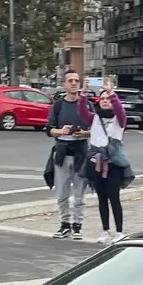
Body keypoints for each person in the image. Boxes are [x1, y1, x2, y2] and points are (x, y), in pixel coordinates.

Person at [80, 84, 129, 244]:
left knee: (114, 196)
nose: (105, 101)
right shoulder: (94, 118)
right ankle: (105, 230)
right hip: (96, 162)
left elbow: (120, 110)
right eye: (102, 99)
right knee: (101, 197)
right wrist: (83, 95)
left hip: (113, 162)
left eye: (107, 99)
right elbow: (81, 112)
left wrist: (111, 93)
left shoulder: (119, 118)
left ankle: (119, 231)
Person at [44, 71, 90, 239]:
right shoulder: (57, 106)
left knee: (79, 194)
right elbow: (49, 130)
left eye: (76, 81)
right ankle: (64, 225)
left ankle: (77, 226)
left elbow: (96, 129)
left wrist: (84, 133)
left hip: (81, 153)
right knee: (62, 193)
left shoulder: (85, 105)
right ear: (64, 84)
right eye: (70, 80)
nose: (74, 83)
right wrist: (60, 131)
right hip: (62, 153)